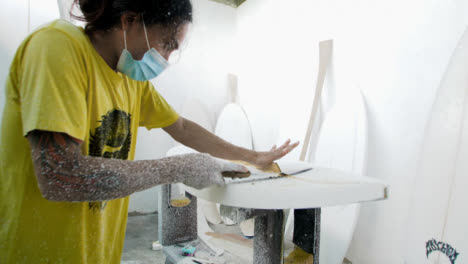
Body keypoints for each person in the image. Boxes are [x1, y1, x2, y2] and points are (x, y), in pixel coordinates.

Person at [0, 0, 299, 263]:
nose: (166, 59)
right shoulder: (57, 47)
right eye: (167, 43)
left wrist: (254, 156)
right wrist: (179, 167)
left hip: (96, 252)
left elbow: (180, 126)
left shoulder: (131, 80)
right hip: (38, 251)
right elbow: (59, 176)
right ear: (129, 20)